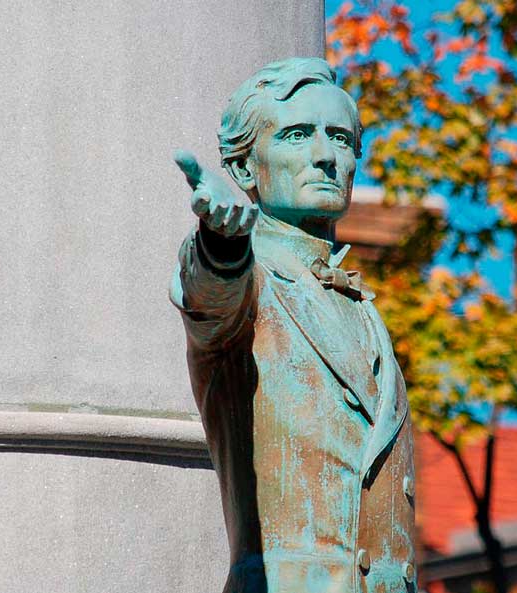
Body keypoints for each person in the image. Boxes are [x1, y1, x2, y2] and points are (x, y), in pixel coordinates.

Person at [170, 57, 417, 593]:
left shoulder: (361, 304)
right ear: (243, 170)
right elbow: (209, 299)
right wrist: (221, 245)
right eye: (298, 135)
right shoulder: (250, 278)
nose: (326, 157)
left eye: (342, 139)